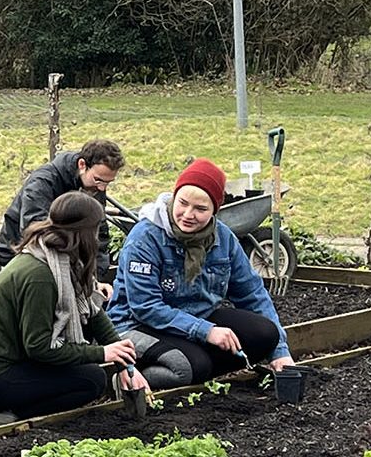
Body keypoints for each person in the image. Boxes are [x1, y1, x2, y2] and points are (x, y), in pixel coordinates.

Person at [0, 192, 146, 429]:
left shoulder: (60, 258)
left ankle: (12, 405)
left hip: (12, 363)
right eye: (96, 230)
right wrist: (101, 354)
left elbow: (94, 312)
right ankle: (5, 416)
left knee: (88, 372)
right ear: (83, 233)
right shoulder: (41, 276)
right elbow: (39, 347)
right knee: (91, 381)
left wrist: (125, 364)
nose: (97, 239)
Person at [108, 158, 295, 391]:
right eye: (183, 203)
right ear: (174, 197)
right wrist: (206, 331)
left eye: (200, 209)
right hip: (138, 325)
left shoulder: (223, 238)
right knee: (186, 367)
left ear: (214, 210)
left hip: (195, 321)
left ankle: (197, 365)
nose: (188, 214)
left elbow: (252, 293)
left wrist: (280, 353)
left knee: (265, 335)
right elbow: (145, 307)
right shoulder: (146, 237)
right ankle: (124, 378)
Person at [0, 139, 127, 297]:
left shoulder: (94, 185)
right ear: (82, 165)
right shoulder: (42, 183)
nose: (102, 188)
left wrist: (93, 279)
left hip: (66, 262)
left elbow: (98, 233)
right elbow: (36, 233)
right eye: (98, 180)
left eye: (108, 183)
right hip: (22, 256)